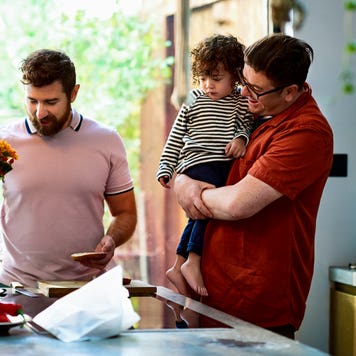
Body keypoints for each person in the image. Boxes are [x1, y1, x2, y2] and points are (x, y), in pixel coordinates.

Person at [173, 33, 333, 339]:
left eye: (255, 90)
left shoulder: (306, 133)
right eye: (243, 81)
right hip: (216, 295)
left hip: (255, 303)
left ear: (290, 92)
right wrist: (181, 178)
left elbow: (237, 204)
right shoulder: (256, 113)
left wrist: (191, 191)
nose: (244, 93)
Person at [0, 49, 137, 288]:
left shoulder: (106, 140)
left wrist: (111, 239)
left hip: (86, 288)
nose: (40, 112)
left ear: (73, 93)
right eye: (32, 101)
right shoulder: (5, 141)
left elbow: (125, 214)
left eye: (51, 102)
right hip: (18, 287)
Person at [156, 34, 253, 297]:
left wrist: (241, 138)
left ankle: (178, 264)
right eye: (203, 78)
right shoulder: (193, 100)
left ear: (235, 76)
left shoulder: (240, 101)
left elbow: (246, 125)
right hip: (197, 162)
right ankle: (193, 262)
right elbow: (175, 137)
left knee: (197, 215)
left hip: (222, 164)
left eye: (216, 79)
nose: (208, 85)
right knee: (206, 210)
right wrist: (166, 168)